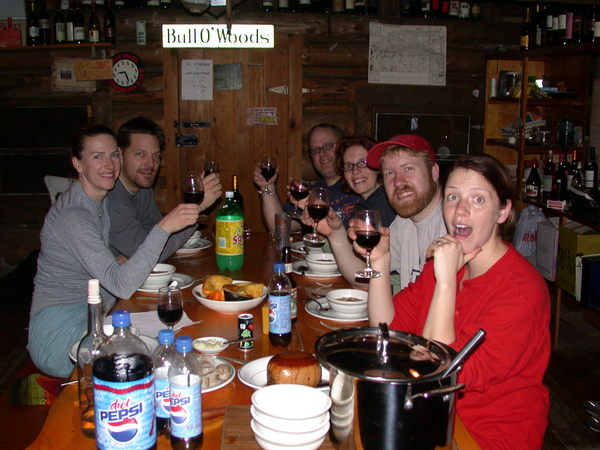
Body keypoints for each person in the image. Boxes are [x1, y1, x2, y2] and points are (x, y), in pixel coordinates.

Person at [366, 154, 551, 449]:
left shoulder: (522, 290)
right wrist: (380, 260)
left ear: (502, 211)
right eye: (453, 197)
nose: (460, 210)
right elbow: (386, 329)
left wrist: (446, 281)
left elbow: (439, 374)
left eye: (478, 200)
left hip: (487, 435)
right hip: (432, 416)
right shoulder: (446, 263)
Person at [28, 124, 200, 379]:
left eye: (114, 155)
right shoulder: (74, 215)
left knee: (175, 337)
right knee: (159, 356)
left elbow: (115, 264)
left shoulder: (101, 200)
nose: (109, 164)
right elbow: (121, 285)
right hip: (61, 336)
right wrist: (163, 227)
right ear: (78, 164)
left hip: (98, 314)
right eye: (98, 156)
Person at [305, 134, 446, 290]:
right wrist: (335, 233)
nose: (398, 181)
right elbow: (365, 278)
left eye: (408, 169)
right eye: (389, 173)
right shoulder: (403, 224)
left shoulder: (454, 225)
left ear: (434, 172)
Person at [107, 117, 222, 262]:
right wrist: (198, 207)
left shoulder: (142, 188)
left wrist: (138, 252)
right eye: (140, 154)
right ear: (120, 155)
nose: (150, 164)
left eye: (156, 156)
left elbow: (157, 236)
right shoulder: (111, 197)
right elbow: (150, 254)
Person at [253, 123, 360, 232]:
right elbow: (279, 227)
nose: (322, 153)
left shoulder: (360, 183)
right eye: (315, 150)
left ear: (343, 146)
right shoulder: (313, 193)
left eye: (328, 145)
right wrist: (268, 186)